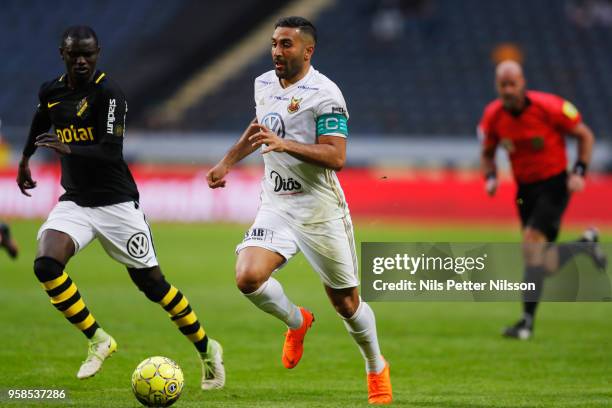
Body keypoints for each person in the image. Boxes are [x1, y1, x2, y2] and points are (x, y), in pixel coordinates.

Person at [16, 26, 225, 388]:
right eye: (74, 55)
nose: (82, 61)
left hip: (117, 205)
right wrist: (24, 159)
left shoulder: (109, 94)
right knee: (46, 264)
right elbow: (40, 120)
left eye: (88, 54)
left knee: (153, 286)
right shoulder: (52, 91)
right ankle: (98, 339)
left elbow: (109, 151)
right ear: (62, 54)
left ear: (97, 53)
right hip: (77, 202)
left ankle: (207, 349)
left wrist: (69, 149)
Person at [207, 16, 392, 404]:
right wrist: (227, 162)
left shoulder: (325, 95)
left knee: (346, 303)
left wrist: (286, 144)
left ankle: (376, 365)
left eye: (286, 44)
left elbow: (337, 156)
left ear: (308, 50)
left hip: (319, 210)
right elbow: (261, 126)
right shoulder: (263, 83)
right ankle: (297, 321)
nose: (277, 50)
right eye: (274, 43)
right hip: (276, 204)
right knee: (247, 277)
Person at [478, 60, 607, 340]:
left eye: (513, 83)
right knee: (540, 261)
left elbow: (585, 135)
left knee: (532, 246)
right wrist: (490, 177)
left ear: (523, 82)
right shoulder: (493, 116)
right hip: (524, 191)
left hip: (554, 185)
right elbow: (487, 152)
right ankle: (584, 245)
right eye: (503, 85)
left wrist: (580, 170)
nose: (509, 89)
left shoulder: (549, 107)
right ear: (497, 86)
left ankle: (526, 324)